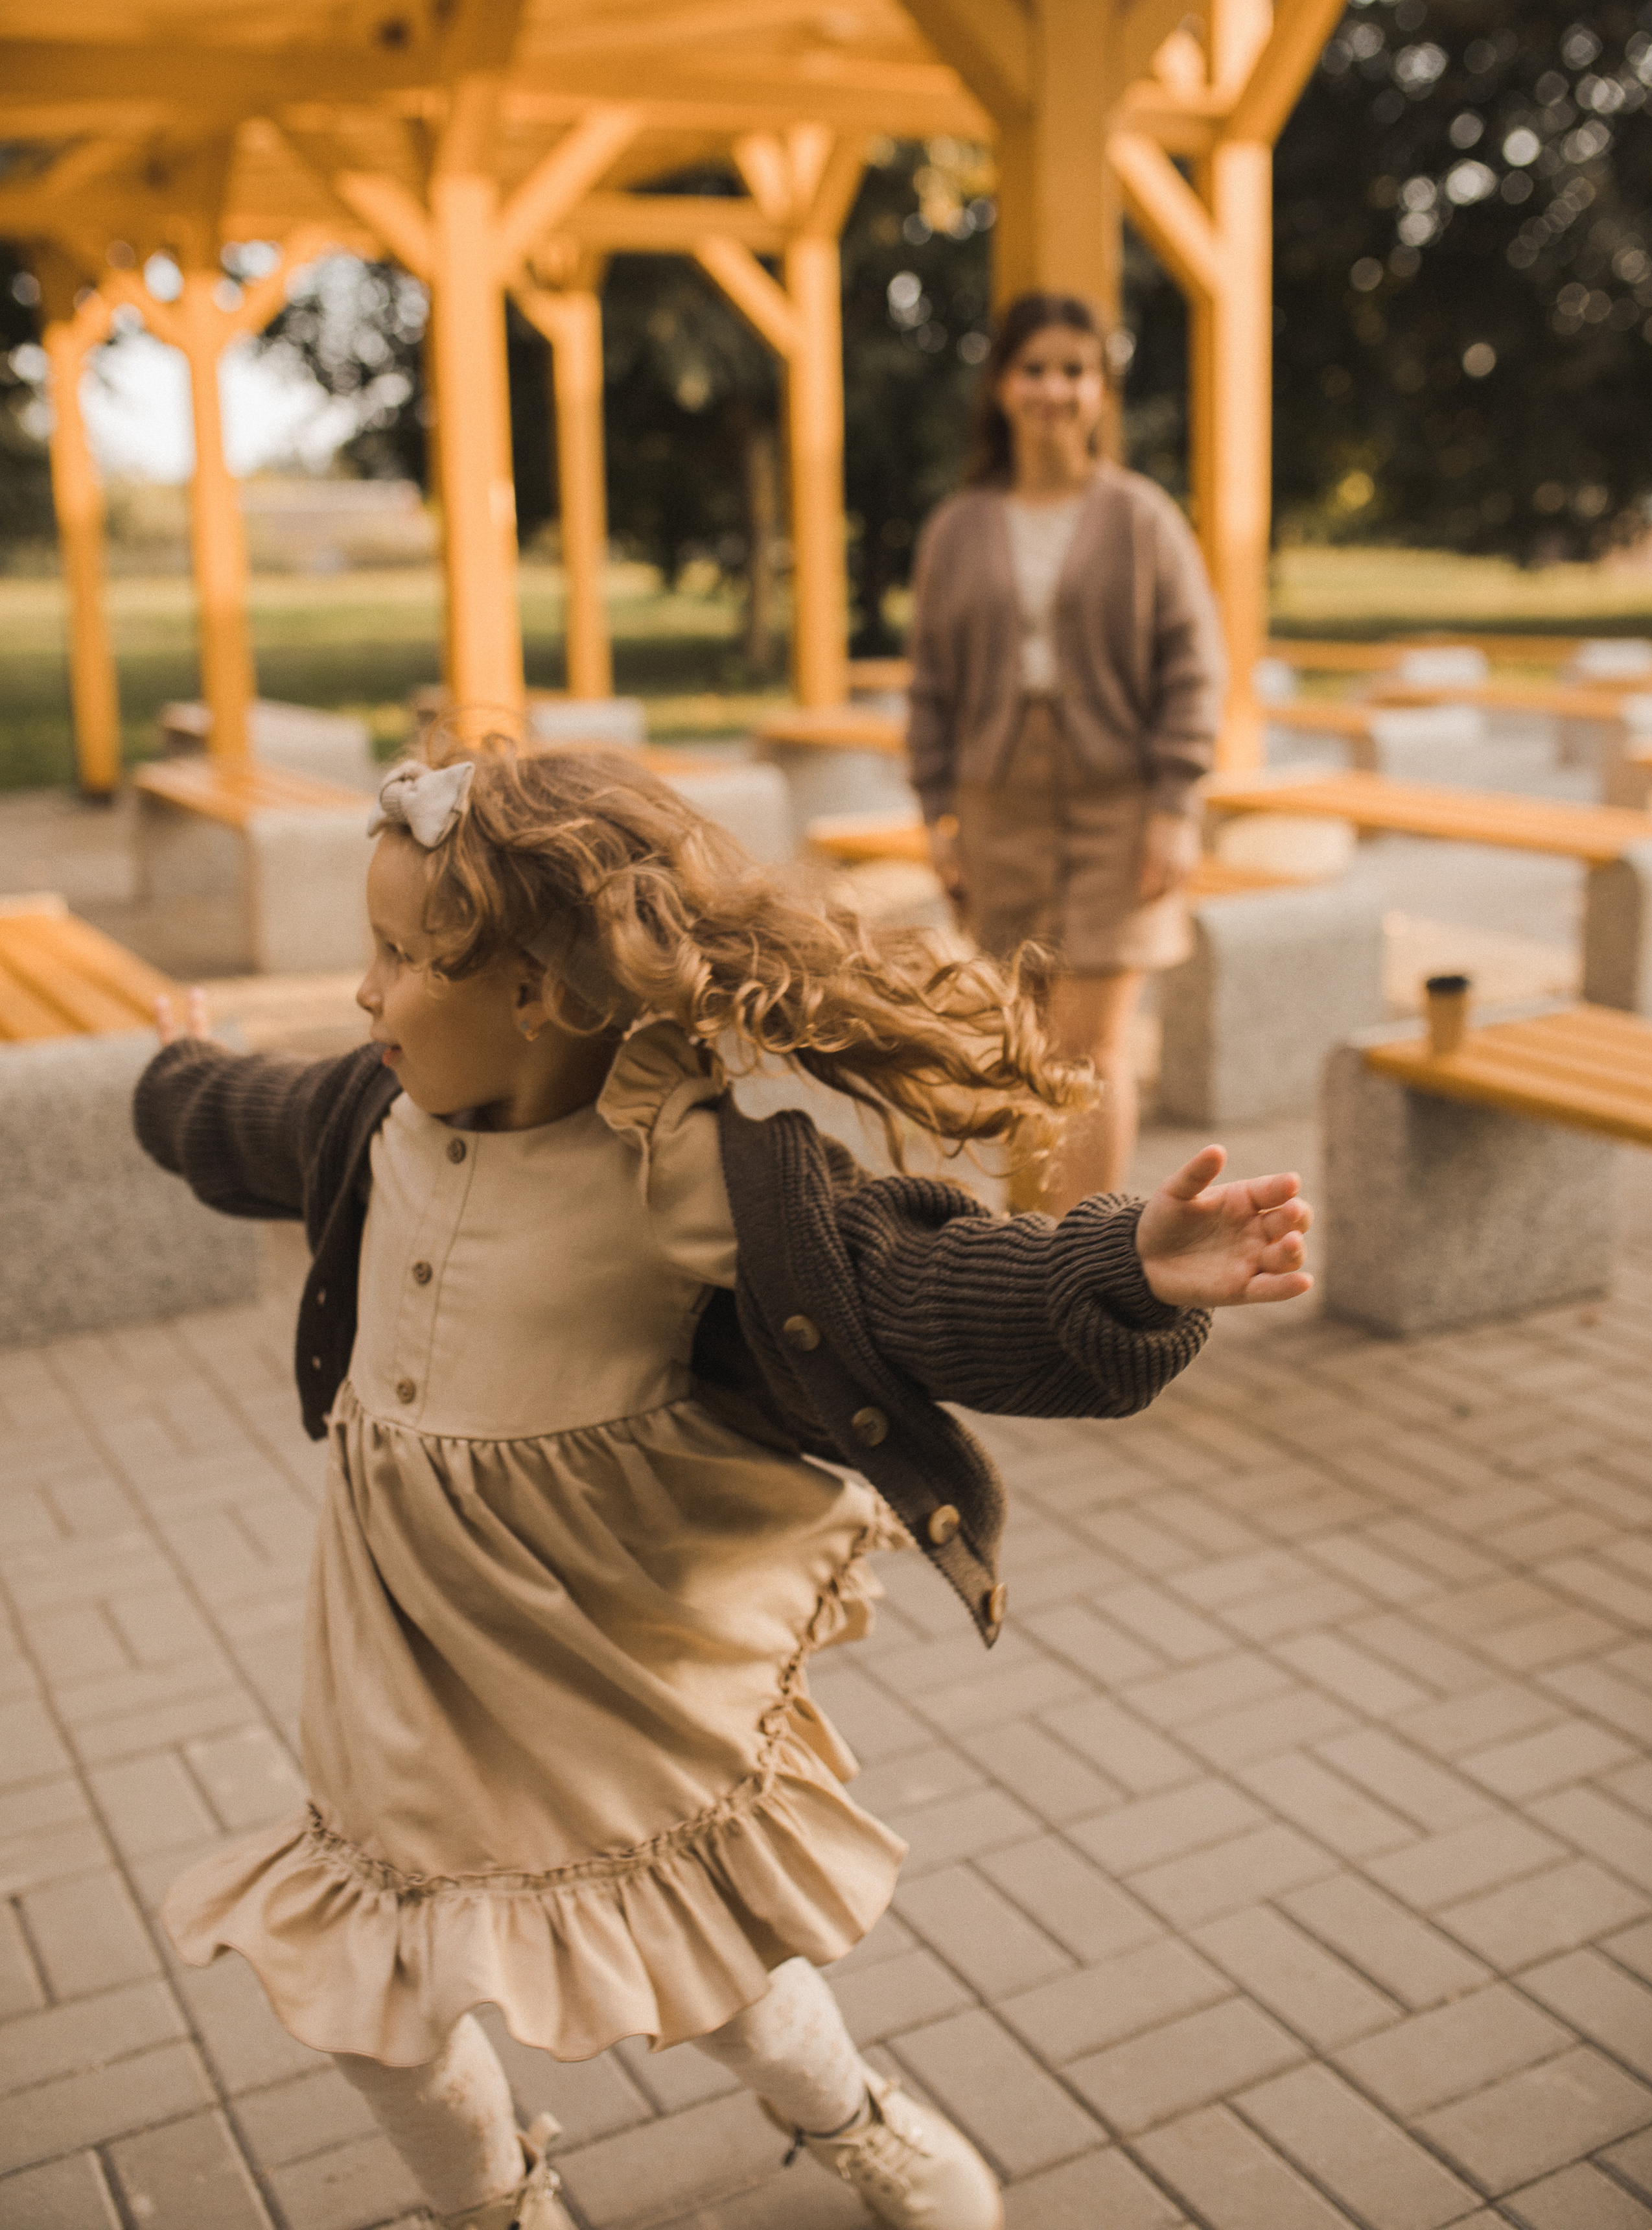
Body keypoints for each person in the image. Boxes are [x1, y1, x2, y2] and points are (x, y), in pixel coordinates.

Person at [134, 744, 1309, 2230]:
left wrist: (1113, 1266)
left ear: (539, 998)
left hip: (600, 1658)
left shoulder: (686, 1170)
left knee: (718, 1971)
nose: (364, 992)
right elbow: (236, 1118)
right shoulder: (368, 1115)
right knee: (375, 1997)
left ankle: (846, 2115)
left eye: (398, 957)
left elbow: (913, 1289)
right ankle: (491, 2206)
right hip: (394, 1659)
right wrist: (163, 1075)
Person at [907, 290, 1227, 1209]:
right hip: (999, 805)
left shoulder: (1141, 518)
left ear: (1100, 391)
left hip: (1120, 808)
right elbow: (930, 687)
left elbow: (1194, 667)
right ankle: (1026, 1261)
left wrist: (1174, 808)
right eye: (1036, 368)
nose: (1056, 388)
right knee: (1024, 1047)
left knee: (1094, 1050)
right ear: (1004, 386)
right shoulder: (958, 527)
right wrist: (939, 816)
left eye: (1075, 371)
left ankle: (1084, 1256)